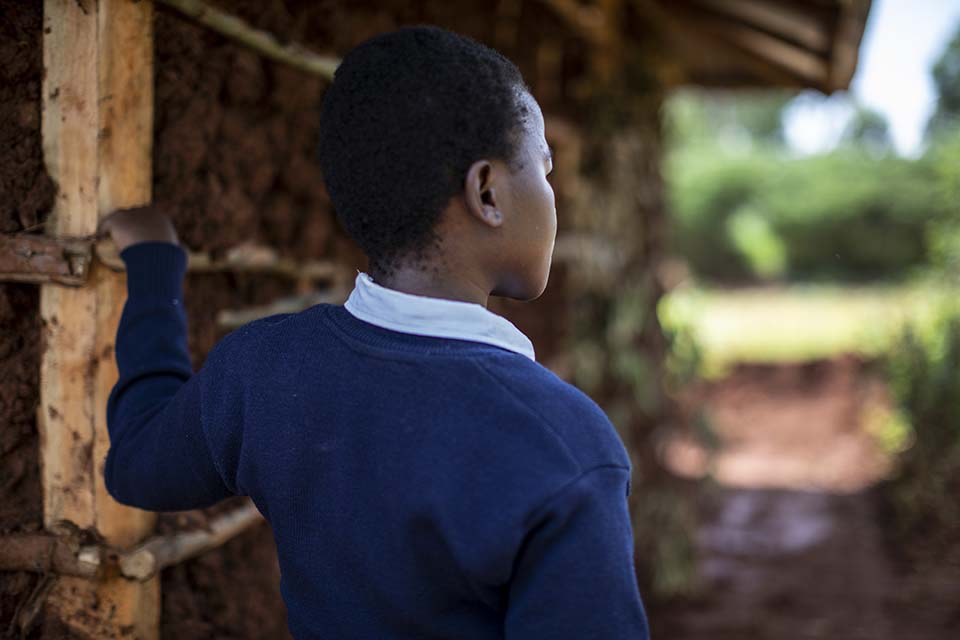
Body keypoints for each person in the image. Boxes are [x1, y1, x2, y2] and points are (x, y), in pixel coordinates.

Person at [99, 24, 649, 639]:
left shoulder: (265, 371)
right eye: (543, 170)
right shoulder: (563, 444)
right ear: (487, 192)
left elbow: (137, 465)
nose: (553, 198)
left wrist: (152, 269)